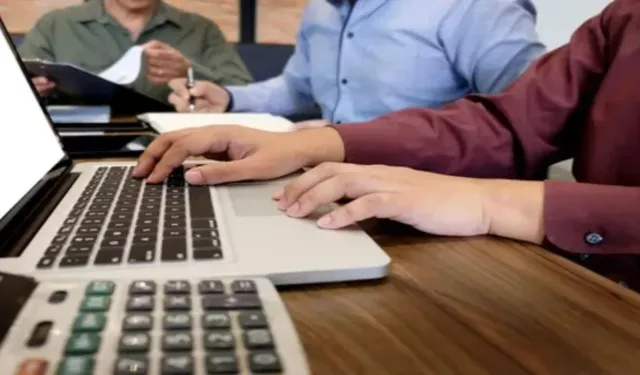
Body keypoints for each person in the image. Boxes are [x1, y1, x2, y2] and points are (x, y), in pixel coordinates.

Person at [133, 0, 640, 290]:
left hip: (454, 206)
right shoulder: (321, 13)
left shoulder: (475, 7)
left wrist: (491, 201)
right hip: (369, 182)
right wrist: (314, 140)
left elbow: (512, 120)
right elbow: (511, 119)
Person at [167, 0, 544, 127]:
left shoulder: (475, 7)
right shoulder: (320, 10)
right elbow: (297, 88)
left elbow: (529, 121)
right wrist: (230, 100)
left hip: (438, 206)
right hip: (326, 186)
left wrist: (354, 144)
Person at [18, 0, 252, 104]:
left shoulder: (201, 29)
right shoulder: (56, 24)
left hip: (179, 152)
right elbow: (13, 89)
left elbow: (243, 94)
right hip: (80, 150)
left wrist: (190, 71)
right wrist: (33, 92)